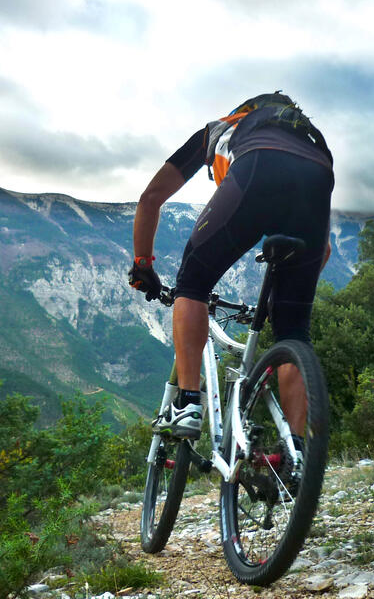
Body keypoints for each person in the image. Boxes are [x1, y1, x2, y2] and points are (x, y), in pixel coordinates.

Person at [129, 92, 334, 440]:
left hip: (257, 168)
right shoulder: (308, 136)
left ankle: (188, 404)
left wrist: (143, 265)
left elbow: (150, 199)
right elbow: (324, 249)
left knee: (193, 282)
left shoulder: (224, 127)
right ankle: (296, 452)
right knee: (293, 332)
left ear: (245, 110)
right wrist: (285, 295)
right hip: (319, 176)